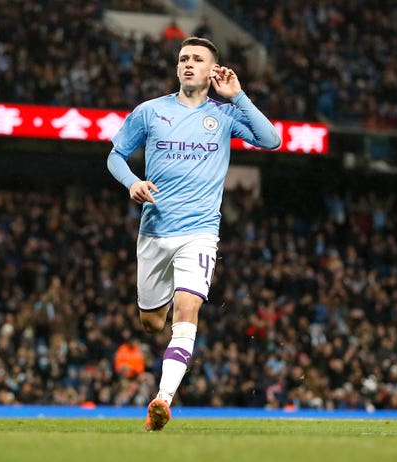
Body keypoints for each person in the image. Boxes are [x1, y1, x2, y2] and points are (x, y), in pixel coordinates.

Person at [107, 36, 280, 431]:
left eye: (197, 59)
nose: (188, 64)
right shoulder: (150, 112)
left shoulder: (225, 115)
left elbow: (272, 140)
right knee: (151, 324)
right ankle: (165, 308)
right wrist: (132, 182)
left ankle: (162, 400)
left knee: (187, 312)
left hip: (199, 232)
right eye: (183, 58)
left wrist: (239, 97)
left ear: (212, 70)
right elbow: (115, 155)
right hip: (154, 232)